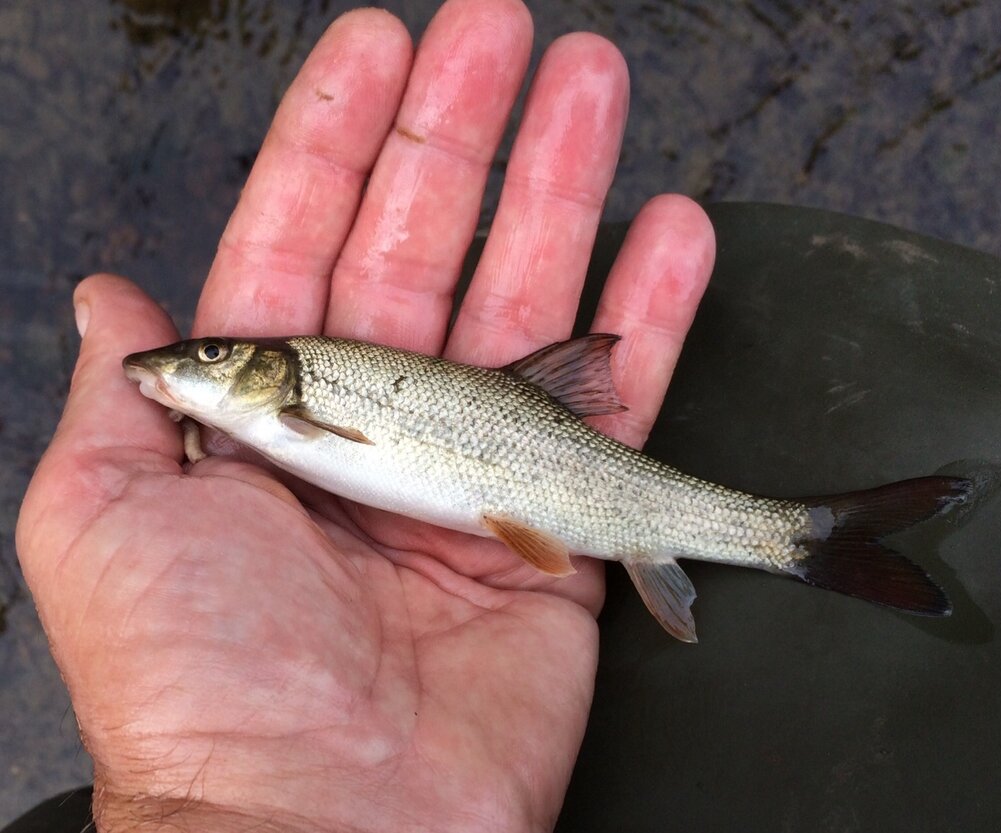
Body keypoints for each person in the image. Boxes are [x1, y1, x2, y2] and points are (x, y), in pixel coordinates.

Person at [16, 1, 715, 830]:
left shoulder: (292, 399)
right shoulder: (266, 418)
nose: (184, 365)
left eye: (212, 354)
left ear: (269, 374)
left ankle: (788, 539)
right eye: (207, 354)